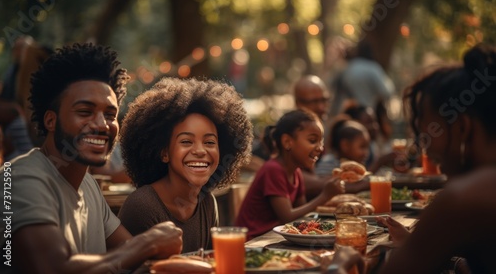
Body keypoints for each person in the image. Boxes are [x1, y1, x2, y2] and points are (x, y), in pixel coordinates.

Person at [0, 43, 183, 274]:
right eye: (85, 112)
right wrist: (148, 243)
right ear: (50, 121)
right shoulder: (18, 179)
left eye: (110, 114)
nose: (101, 125)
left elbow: (134, 260)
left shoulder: (88, 186)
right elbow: (52, 269)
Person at [329, 43, 496, 274]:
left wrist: (338, 265)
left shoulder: (463, 197)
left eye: (427, 135)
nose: (424, 148)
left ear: (463, 128)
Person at [117, 77, 253, 253]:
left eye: (210, 142)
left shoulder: (207, 202)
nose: (200, 151)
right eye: (187, 141)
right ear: (164, 152)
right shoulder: (143, 206)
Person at [235, 109, 344, 240]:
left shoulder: (296, 172)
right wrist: (325, 195)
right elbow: (287, 216)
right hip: (254, 243)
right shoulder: (273, 169)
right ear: (287, 142)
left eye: (321, 141)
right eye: (313, 140)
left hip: (274, 239)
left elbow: (301, 215)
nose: (320, 148)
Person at [329, 42, 394, 117]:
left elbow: (333, 89)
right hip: (368, 113)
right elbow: (387, 92)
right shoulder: (373, 68)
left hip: (348, 114)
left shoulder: (347, 68)